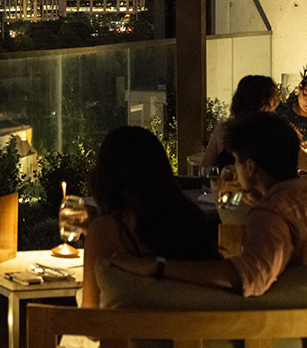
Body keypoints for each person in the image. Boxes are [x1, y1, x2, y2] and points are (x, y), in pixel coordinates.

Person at [110, 113, 307, 297]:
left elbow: (251, 277)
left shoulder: (272, 212)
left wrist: (158, 265)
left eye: (237, 161)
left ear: (250, 167)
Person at [81, 126, 217, 307]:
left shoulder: (107, 230)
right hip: (194, 332)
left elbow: (91, 316)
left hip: (129, 334)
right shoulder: (191, 220)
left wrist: (94, 230)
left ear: (105, 177)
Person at [200, 75, 279, 171]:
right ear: (268, 103)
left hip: (226, 185)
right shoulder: (274, 134)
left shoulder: (223, 131)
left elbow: (205, 170)